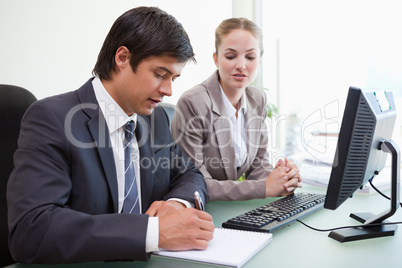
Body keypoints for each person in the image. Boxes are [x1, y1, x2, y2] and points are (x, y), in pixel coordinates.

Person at [7, 6, 214, 264]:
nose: (168, 90)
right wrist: (153, 232)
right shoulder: (52, 119)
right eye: (160, 74)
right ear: (123, 58)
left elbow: (190, 174)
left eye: (174, 78)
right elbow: (32, 229)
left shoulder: (158, 118)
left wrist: (176, 204)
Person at [171, 18, 302, 201]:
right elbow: (197, 183)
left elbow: (258, 165)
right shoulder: (193, 103)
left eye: (250, 57)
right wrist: (264, 187)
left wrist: (283, 180)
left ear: (260, 61)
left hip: (231, 208)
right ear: (216, 59)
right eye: (231, 56)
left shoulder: (257, 99)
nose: (241, 65)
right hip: (200, 206)